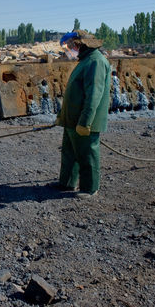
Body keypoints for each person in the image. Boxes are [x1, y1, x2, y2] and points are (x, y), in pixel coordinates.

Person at [54, 30, 111, 199]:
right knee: (70, 153)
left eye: (70, 46)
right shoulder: (85, 61)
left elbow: (94, 95)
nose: (69, 49)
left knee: (87, 155)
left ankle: (89, 188)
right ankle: (67, 183)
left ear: (79, 44)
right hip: (73, 120)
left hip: (84, 121)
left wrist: (85, 121)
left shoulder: (96, 62)